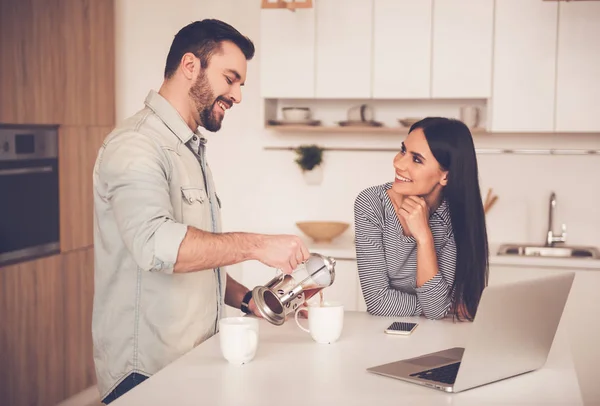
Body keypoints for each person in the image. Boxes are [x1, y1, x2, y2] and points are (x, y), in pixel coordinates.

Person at [92, 19, 310, 404]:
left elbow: (198, 256)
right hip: (146, 373)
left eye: (241, 83)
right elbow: (157, 245)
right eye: (231, 79)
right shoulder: (136, 145)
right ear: (190, 66)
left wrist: (252, 300)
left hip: (191, 360)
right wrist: (257, 245)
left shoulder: (189, 149)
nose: (238, 95)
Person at [353, 117, 488, 321]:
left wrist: (424, 237)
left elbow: (436, 309)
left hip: (439, 334)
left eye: (416, 159)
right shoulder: (372, 203)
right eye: (403, 150)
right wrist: (444, 307)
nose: (398, 163)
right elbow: (377, 300)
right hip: (383, 331)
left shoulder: (453, 217)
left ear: (446, 176)